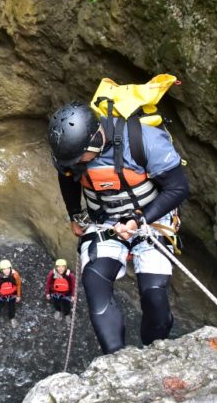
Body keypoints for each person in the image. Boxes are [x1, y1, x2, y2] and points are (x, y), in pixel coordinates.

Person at [47, 101, 189, 354]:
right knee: (94, 281)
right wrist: (74, 215)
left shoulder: (145, 141)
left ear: (93, 142)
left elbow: (178, 188)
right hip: (105, 220)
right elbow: (67, 178)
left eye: (79, 159)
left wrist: (138, 220)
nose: (75, 164)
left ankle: (154, 352)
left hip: (153, 219)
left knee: (154, 293)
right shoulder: (70, 154)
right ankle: (116, 358)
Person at [0, 259, 22, 327]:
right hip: (1, 296)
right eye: (4, 269)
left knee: (12, 307)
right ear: (1, 269)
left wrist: (18, 295)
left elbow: (18, 284)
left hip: (12, 295)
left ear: (10, 268)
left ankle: (12, 317)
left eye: (8, 268)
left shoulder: (15, 275)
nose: (7, 270)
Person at [45, 258, 76, 325]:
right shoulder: (52, 273)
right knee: (55, 303)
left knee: (66, 305)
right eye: (58, 267)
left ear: (65, 267)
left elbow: (73, 285)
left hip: (66, 294)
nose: (60, 269)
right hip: (55, 293)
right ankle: (58, 310)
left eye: (62, 267)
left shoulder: (70, 275)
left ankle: (67, 314)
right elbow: (48, 283)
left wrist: (73, 295)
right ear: (56, 267)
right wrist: (48, 293)